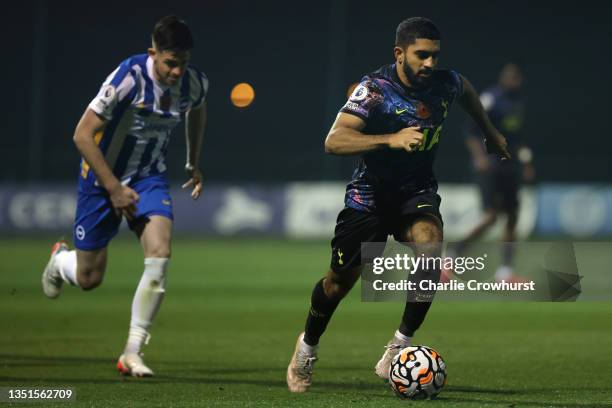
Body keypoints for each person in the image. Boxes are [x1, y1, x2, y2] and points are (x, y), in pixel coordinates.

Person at [286, 17, 510, 392]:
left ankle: (398, 346)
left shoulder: (445, 83)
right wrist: (390, 139)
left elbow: (466, 90)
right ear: (399, 53)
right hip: (368, 198)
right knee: (337, 284)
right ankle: (306, 347)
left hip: (414, 192)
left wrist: (490, 132)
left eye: (434, 56)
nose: (429, 63)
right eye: (421, 55)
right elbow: (334, 141)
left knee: (431, 248)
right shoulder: (375, 90)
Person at [41, 15, 208, 377]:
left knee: (160, 253)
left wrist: (193, 161)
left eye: (183, 63)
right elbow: (82, 135)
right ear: (153, 54)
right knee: (89, 278)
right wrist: (114, 188)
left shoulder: (193, 83)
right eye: (170, 63)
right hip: (102, 180)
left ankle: (132, 352)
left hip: (149, 177)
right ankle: (60, 261)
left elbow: (198, 109)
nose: (178, 72)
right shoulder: (129, 77)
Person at [454, 62, 534, 282]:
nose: (512, 82)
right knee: (490, 217)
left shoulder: (518, 102)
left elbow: (517, 138)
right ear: (503, 78)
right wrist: (479, 157)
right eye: (509, 77)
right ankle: (450, 257)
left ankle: (505, 273)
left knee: (512, 217)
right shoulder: (491, 98)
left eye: (515, 78)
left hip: (510, 166)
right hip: (490, 166)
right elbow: (470, 130)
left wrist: (526, 163)